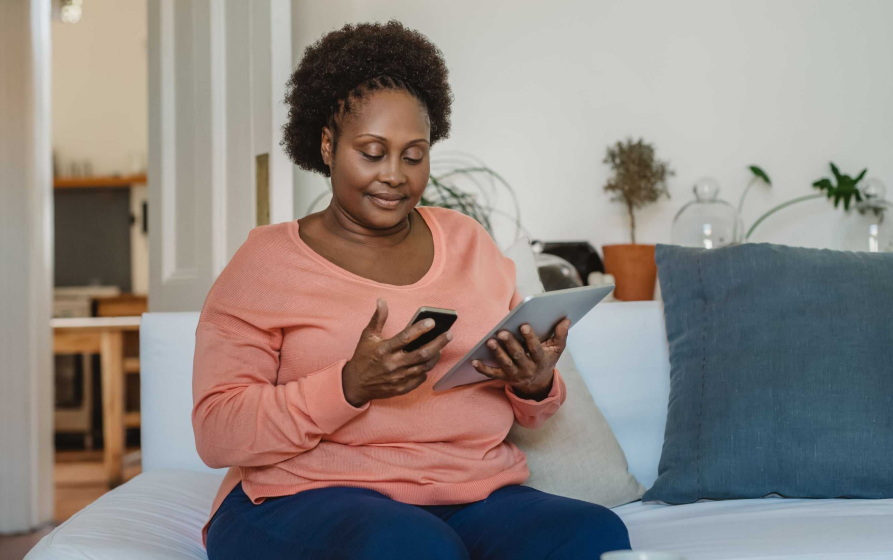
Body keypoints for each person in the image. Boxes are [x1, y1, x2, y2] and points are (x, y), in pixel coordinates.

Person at [193, 20, 631, 560]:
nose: (395, 175)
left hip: (469, 492)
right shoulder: (266, 263)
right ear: (328, 145)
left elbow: (530, 407)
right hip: (301, 496)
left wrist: (535, 383)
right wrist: (350, 384)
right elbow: (217, 432)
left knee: (597, 535)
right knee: (412, 548)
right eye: (372, 152)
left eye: (414, 154)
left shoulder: (468, 242)